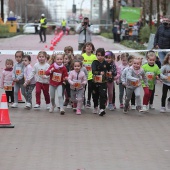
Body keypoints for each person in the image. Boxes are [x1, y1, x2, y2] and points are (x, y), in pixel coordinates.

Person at [92, 48, 111, 116]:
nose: (100, 57)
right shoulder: (94, 62)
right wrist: (100, 72)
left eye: (102, 55)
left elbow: (109, 70)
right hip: (95, 82)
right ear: (96, 55)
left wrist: (109, 74)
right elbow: (93, 71)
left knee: (103, 95)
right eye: (98, 55)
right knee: (95, 95)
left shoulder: (106, 63)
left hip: (103, 82)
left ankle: (102, 109)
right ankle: (95, 106)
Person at [82, 42, 97, 108]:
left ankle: (88, 100)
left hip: (91, 75)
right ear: (85, 48)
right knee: (83, 88)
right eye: (87, 46)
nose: (89, 47)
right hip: (84, 75)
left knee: (90, 88)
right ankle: (83, 99)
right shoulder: (83, 56)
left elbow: (96, 65)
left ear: (92, 49)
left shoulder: (94, 56)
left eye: (90, 46)